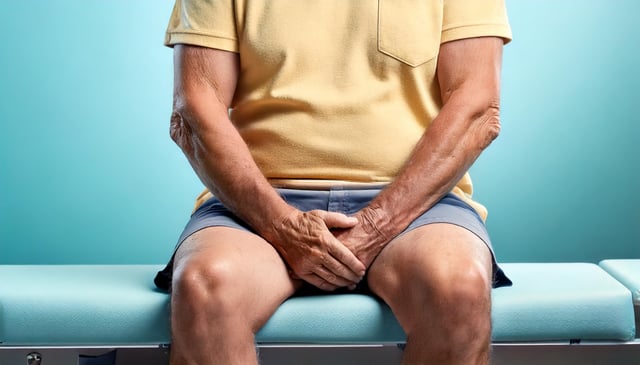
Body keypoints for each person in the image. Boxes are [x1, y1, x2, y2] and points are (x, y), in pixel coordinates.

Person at [154, 1, 513, 364]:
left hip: (418, 206)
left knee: (458, 287)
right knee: (205, 287)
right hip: (256, 206)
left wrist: (377, 224)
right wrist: (280, 225)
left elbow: (477, 107)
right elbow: (195, 110)